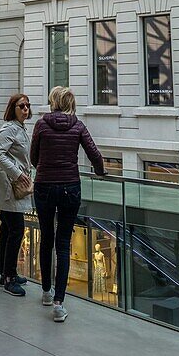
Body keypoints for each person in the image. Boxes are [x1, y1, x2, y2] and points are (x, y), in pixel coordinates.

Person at [31, 86, 105, 323]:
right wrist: (101, 173)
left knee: (46, 238)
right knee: (63, 244)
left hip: (44, 185)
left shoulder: (41, 125)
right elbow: (95, 154)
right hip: (70, 187)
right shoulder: (78, 125)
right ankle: (59, 303)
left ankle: (45, 291)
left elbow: (34, 157)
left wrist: (44, 165)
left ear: (53, 102)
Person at [0, 93, 33, 296]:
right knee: (15, 230)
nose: (25, 109)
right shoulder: (9, 128)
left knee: (8, 229)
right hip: (9, 187)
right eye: (21, 106)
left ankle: (6, 274)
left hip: (12, 185)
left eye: (27, 106)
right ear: (12, 108)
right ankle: (8, 277)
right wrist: (17, 173)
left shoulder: (20, 128)